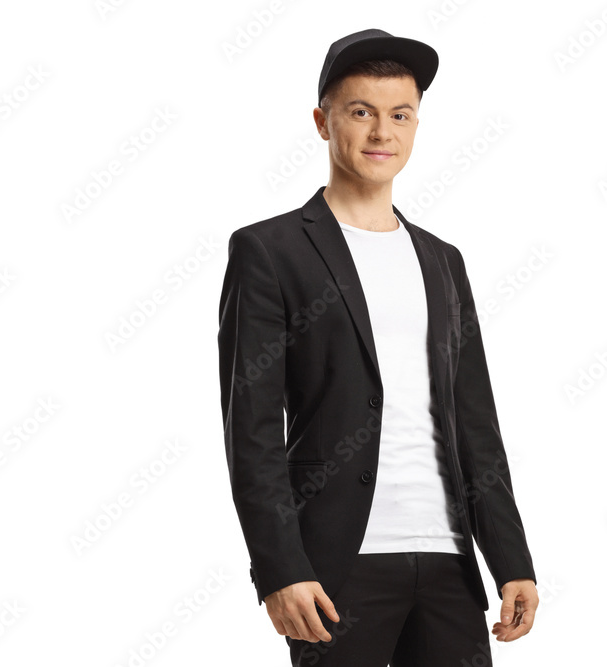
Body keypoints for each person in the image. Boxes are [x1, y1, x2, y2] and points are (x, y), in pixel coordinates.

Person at [218, 28, 538, 666]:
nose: (381, 132)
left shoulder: (442, 261)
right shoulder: (269, 251)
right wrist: (280, 567)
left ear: (416, 126)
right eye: (361, 112)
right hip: (336, 566)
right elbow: (251, 429)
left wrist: (511, 559)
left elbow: (475, 421)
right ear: (323, 122)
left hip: (449, 564)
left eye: (400, 115)